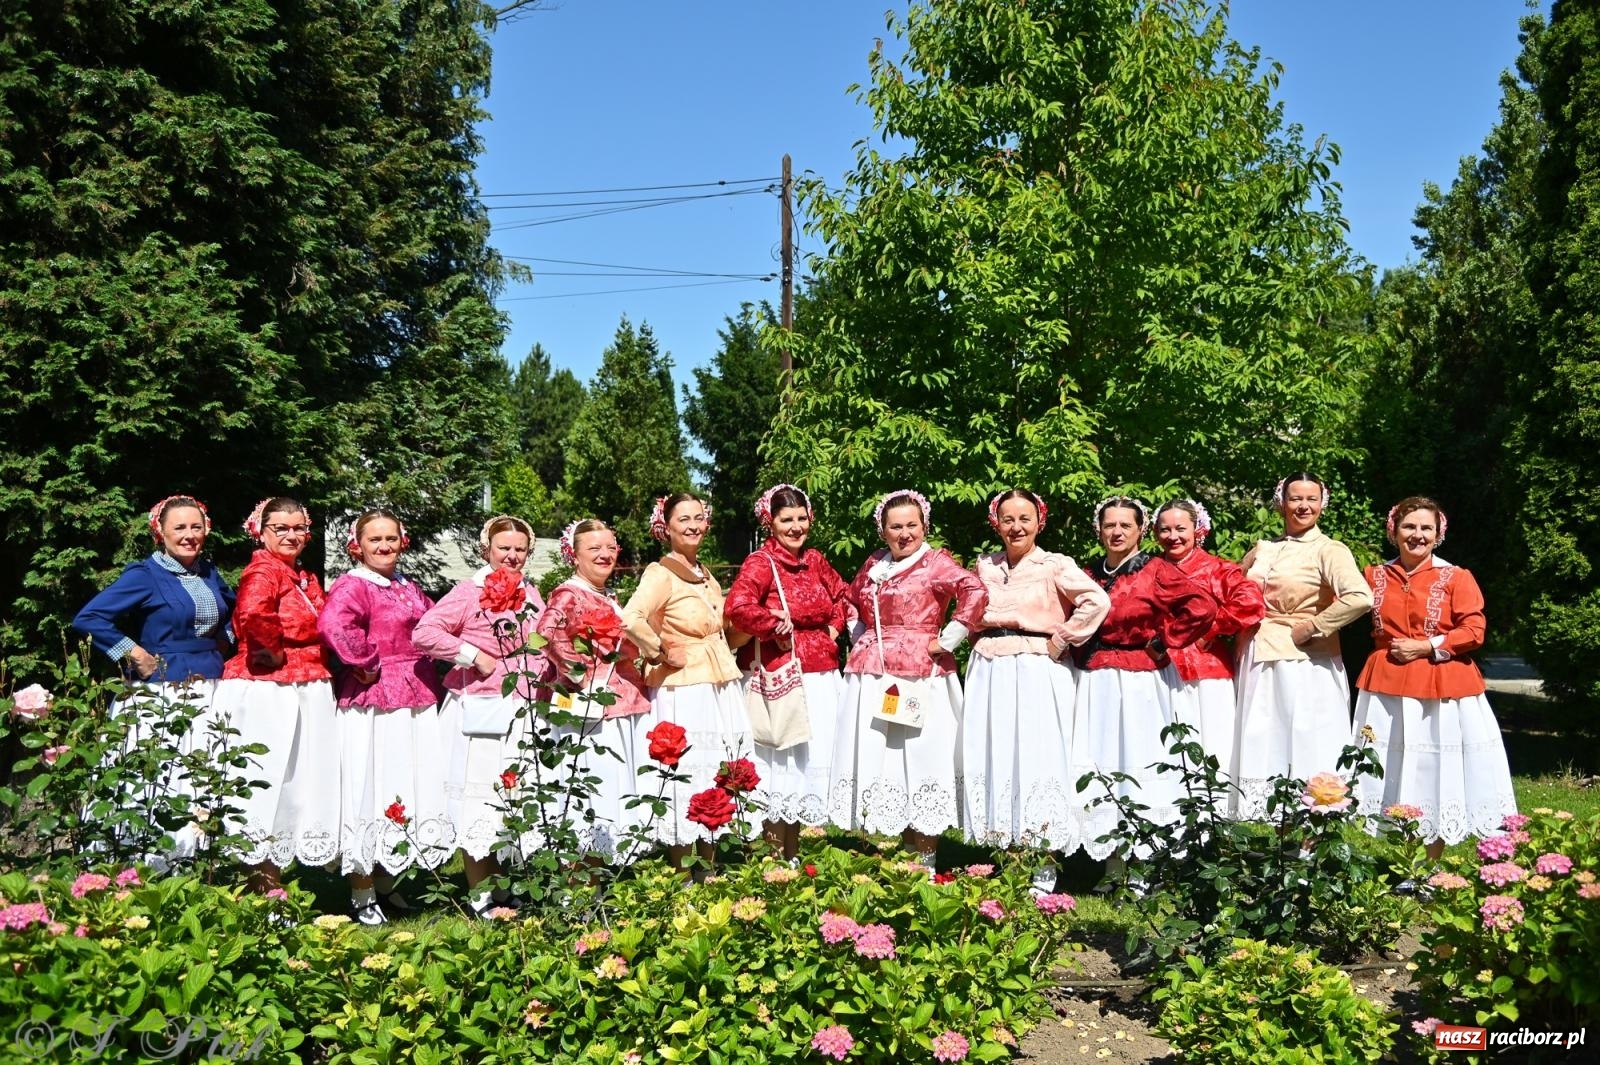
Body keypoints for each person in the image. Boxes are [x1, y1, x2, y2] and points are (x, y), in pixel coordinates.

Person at [1351, 497, 1516, 862]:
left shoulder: (1457, 577)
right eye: (1409, 527)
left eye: (1426, 528)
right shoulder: (1373, 575)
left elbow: (1474, 629)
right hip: (1388, 687)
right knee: (1395, 766)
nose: (1417, 535)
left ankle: (1432, 862)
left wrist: (1426, 646)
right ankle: (1406, 860)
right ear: (1393, 531)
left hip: (1442, 687)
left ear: (1439, 533)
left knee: (1435, 768)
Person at [71, 494, 236, 858]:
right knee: (162, 775)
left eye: (197, 526)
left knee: (201, 774)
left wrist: (221, 644)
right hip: (160, 691)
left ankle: (197, 862)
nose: (189, 535)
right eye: (179, 527)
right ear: (159, 532)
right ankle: (148, 863)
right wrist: (136, 654)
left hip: (210, 687)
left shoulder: (207, 571)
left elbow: (233, 613)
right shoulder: (144, 575)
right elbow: (88, 619)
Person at [830, 489, 988, 864]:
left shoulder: (935, 562)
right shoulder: (875, 563)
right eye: (895, 526)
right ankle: (898, 851)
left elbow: (975, 590)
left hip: (921, 676)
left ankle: (927, 856)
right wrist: (859, 634)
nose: (905, 534)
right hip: (873, 674)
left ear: (924, 526)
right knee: (886, 762)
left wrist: (949, 637)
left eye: (912, 526)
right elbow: (851, 599)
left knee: (922, 758)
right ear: (883, 531)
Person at [963, 489, 1109, 879]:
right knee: (998, 757)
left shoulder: (1054, 565)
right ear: (996, 523)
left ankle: (1043, 867)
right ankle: (1008, 859)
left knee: (1038, 758)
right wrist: (979, 640)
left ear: (1039, 522)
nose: (1016, 527)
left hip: (1035, 669)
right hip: (991, 668)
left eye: (1024, 518)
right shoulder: (985, 566)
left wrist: (1062, 638)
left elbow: (1097, 600)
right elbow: (969, 610)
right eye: (1008, 519)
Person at [317, 509, 449, 924]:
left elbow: (432, 623)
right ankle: (361, 891)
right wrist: (366, 660)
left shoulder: (406, 585)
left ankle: (389, 879)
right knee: (368, 785)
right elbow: (333, 625)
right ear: (357, 544)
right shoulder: (353, 585)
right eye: (375, 539)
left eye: (391, 537)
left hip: (417, 692)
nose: (384, 546)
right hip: (376, 698)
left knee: (404, 783)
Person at [1070, 494, 1217, 864]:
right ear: (1098, 530)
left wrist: (1163, 639)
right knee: (1102, 760)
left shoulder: (1156, 569)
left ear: (1139, 530)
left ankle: (1145, 862)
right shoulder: (1088, 573)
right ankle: (1111, 860)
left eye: (1125, 525)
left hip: (1141, 680)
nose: (1116, 532)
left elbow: (1202, 606)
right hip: (1095, 678)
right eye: (1109, 525)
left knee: (1140, 759)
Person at [413, 514, 547, 916]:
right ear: (486, 548)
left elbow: (539, 638)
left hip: (521, 706)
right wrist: (474, 656)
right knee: (479, 801)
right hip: (481, 712)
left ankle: (504, 887)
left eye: (520, 549)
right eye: (504, 547)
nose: (512, 555)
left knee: (510, 799)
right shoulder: (469, 591)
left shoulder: (532, 592)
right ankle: (479, 894)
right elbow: (425, 632)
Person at [213, 497, 339, 890]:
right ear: (261, 532)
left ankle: (275, 876)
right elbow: (252, 614)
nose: (291, 535)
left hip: (304, 685)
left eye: (298, 528)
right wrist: (273, 652)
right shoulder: (263, 571)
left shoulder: (298, 574)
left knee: (298, 781)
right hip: (272, 688)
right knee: (271, 780)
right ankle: (262, 883)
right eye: (280, 528)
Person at [1234, 473, 1373, 818]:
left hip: (1304, 664)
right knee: (1268, 744)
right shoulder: (1266, 547)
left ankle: (1310, 840)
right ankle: (1280, 837)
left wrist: (1314, 626)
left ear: (1322, 504)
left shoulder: (1329, 549)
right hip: (1259, 657)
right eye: (1296, 498)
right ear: (1281, 502)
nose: (1303, 506)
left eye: (1311, 499)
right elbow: (1235, 589)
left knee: (1306, 743)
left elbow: (1360, 597)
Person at [621, 493, 750, 866]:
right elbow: (631, 618)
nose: (693, 525)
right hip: (684, 687)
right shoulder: (660, 573)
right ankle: (680, 868)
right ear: (667, 528)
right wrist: (659, 650)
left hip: (717, 681)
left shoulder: (705, 574)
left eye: (698, 518)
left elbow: (723, 628)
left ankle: (706, 864)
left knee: (714, 771)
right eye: (683, 520)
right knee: (686, 774)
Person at [725, 483, 850, 860]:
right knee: (779, 764)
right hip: (780, 679)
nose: (796, 527)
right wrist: (772, 624)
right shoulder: (761, 563)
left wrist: (832, 629)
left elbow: (844, 595)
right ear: (771, 522)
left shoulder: (815, 560)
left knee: (805, 766)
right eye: (786, 520)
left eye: (801, 518)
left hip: (821, 677)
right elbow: (738, 607)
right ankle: (773, 856)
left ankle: (793, 855)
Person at [534, 518, 653, 862]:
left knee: (610, 791)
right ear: (574, 555)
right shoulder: (569, 593)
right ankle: (582, 884)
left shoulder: (605, 595)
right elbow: (544, 632)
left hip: (619, 704)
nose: (605, 554)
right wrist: (579, 673)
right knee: (592, 791)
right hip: (591, 709)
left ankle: (601, 877)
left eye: (610, 547)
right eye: (594, 548)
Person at [1151, 499, 1265, 781]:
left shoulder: (1215, 568)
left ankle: (1214, 813)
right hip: (1158, 665)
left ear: (1197, 528)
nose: (1173, 536)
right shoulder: (1148, 569)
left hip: (1205, 669)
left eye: (1180, 528)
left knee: (1211, 741)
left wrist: (1212, 628)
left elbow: (1250, 602)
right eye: (1165, 530)